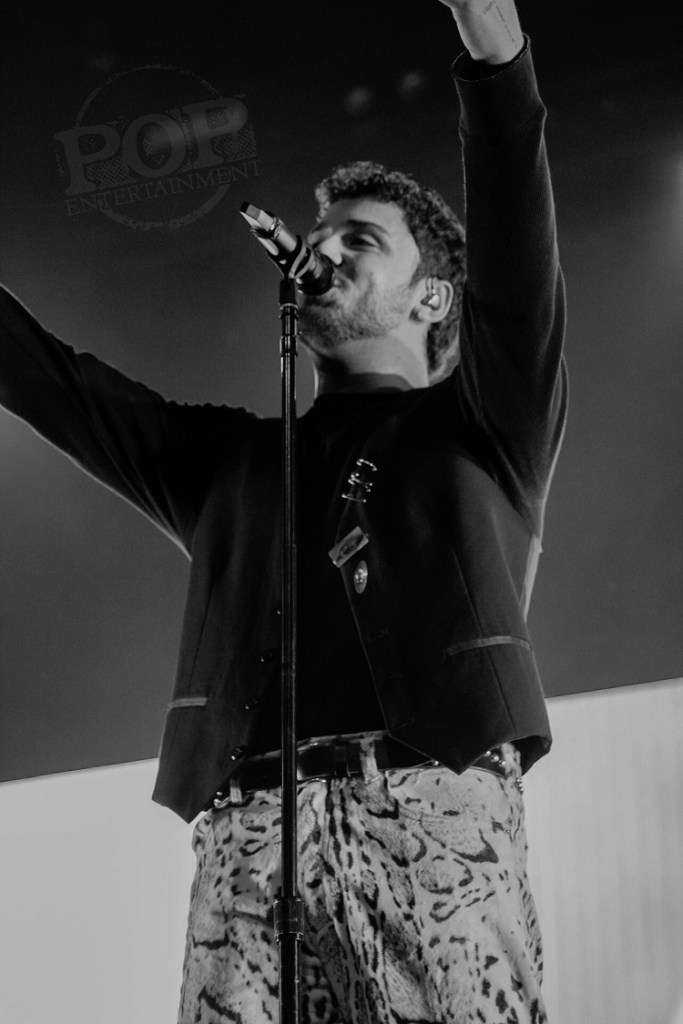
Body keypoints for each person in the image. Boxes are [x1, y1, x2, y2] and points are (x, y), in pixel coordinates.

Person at [0, 0, 566, 1020]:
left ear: (432, 299)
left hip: (430, 809)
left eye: (361, 239)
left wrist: (491, 42)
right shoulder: (229, 465)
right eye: (322, 233)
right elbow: (54, 382)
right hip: (250, 834)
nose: (324, 249)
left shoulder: (484, 420)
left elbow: (517, 237)